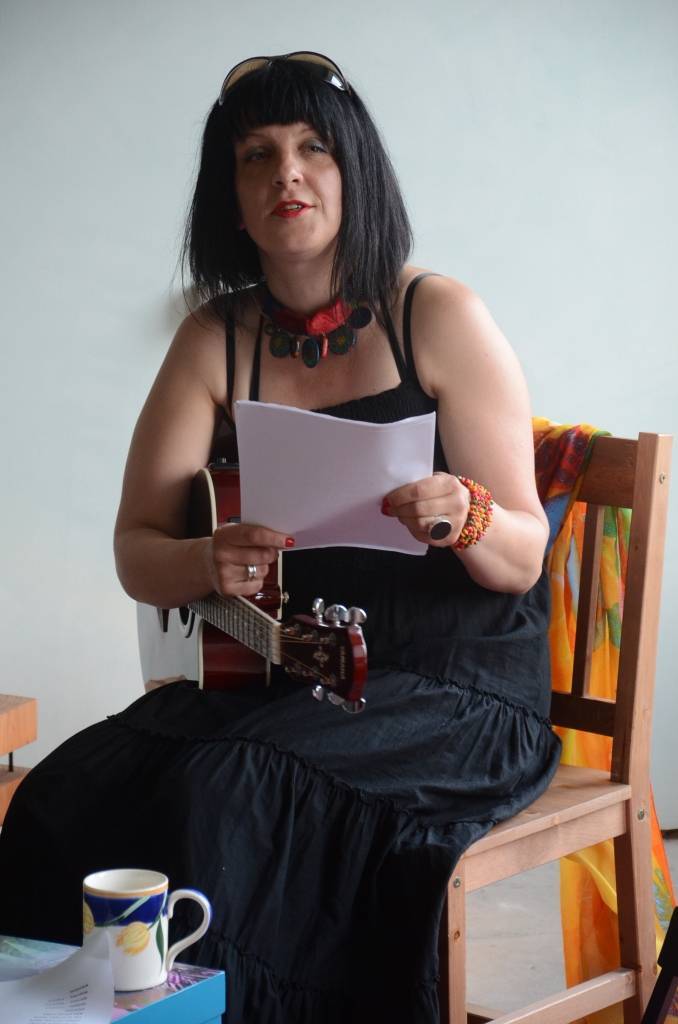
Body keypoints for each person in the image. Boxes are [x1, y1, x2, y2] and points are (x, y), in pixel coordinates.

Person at [0, 53, 561, 1022]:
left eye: (314, 149)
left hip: (458, 691)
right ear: (230, 194)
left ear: (356, 171)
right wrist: (200, 560)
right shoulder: (214, 338)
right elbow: (138, 549)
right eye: (255, 155)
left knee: (232, 789)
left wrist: (462, 514)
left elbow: (522, 557)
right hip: (291, 674)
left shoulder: (436, 314)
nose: (286, 174)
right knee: (67, 788)